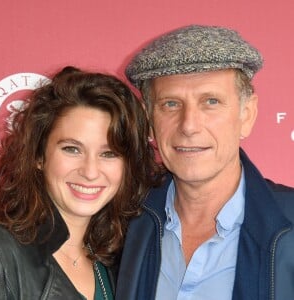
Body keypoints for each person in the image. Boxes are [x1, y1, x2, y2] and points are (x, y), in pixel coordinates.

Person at [115, 25, 294, 300]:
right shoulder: (120, 223)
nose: (188, 126)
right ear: (148, 120)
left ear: (247, 115)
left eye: (211, 102)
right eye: (171, 104)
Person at [0, 66, 162, 299]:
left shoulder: (117, 260)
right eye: (72, 149)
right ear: (39, 155)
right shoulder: (0, 252)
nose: (90, 172)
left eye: (109, 153)